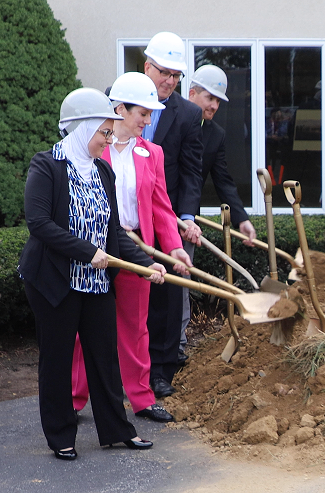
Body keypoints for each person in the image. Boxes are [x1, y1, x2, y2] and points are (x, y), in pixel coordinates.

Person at [19, 88, 167, 460]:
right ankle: (61, 436)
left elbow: (114, 229)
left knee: (104, 356)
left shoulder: (102, 170)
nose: (107, 139)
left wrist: (148, 264)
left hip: (96, 282)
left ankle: (117, 429)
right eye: (103, 131)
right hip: (55, 281)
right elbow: (39, 223)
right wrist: (87, 252)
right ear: (82, 128)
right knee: (57, 358)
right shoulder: (46, 165)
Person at [69, 73, 193, 424]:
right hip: (95, 249)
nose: (148, 121)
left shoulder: (151, 153)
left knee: (136, 327)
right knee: (85, 326)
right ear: (120, 109)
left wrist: (174, 249)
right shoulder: (93, 146)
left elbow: (161, 206)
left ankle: (141, 398)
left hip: (138, 249)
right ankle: (74, 399)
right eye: (143, 113)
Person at [141, 32, 204, 398]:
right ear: (147, 66)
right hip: (128, 218)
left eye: (176, 75)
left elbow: (192, 171)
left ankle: (161, 372)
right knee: (130, 296)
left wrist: (186, 217)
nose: (170, 81)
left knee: (166, 298)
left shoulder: (189, 114)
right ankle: (124, 368)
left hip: (167, 219)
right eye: (164, 72)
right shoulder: (118, 97)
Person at [185, 65, 258, 358]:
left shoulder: (215, 134)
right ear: (192, 93)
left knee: (181, 287)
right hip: (157, 215)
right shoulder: (168, 119)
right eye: (209, 97)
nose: (214, 105)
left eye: (218, 100)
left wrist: (242, 219)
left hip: (187, 222)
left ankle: (174, 355)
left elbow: (224, 180)